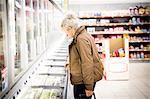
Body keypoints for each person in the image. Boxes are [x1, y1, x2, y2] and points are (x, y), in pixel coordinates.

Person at [61, 13, 103, 99]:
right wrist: (71, 65)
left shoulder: (81, 39)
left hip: (83, 82)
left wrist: (88, 87)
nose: (67, 35)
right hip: (84, 79)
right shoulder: (82, 35)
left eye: (66, 32)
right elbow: (80, 58)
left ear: (71, 29)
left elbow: (87, 63)